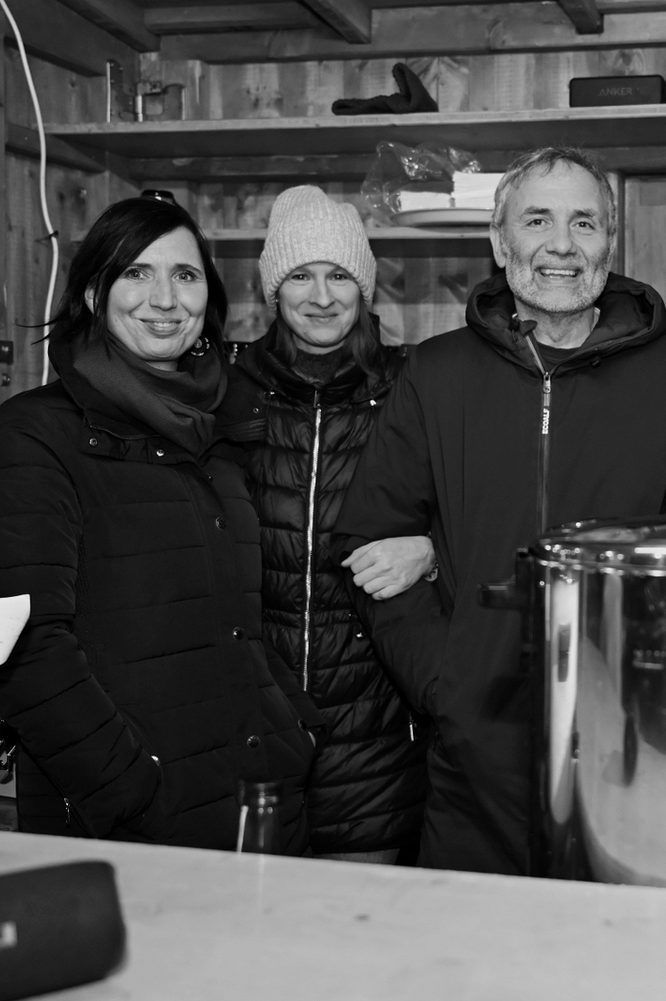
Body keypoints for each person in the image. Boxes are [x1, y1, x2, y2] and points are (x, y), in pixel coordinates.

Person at [331, 146, 666, 875]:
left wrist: (660, 693)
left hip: (635, 759)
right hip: (473, 769)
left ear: (609, 243)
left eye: (583, 223)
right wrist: (446, 683)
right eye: (537, 221)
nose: (561, 244)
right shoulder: (436, 374)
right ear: (500, 243)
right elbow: (372, 540)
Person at [0, 195, 322, 850]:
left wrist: (293, 729)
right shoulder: (34, 434)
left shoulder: (219, 431)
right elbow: (26, 646)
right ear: (94, 294)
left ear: (208, 298)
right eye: (137, 272)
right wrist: (130, 788)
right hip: (132, 825)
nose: (165, 298)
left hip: (262, 801)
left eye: (185, 275)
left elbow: (241, 621)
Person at [237, 185, 429, 864]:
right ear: (273, 290)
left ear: (364, 287)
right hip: (252, 719)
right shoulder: (226, 392)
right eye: (300, 275)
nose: (322, 296)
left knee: (359, 919)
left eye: (340, 275)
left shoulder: (413, 389)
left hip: (377, 725)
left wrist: (432, 550)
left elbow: (479, 512)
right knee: (245, 913)